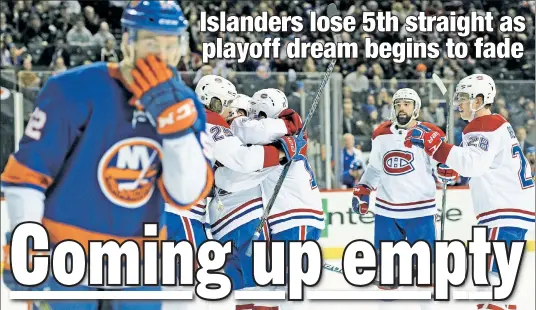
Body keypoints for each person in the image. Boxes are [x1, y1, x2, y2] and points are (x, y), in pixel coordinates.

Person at [1, 1, 213, 309]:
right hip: (66, 253)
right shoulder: (72, 88)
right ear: (128, 40)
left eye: (171, 44)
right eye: (151, 42)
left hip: (140, 262)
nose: (161, 56)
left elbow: (186, 195)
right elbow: (27, 177)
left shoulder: (187, 105)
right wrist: (28, 244)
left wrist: (176, 130)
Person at [404, 73, 536, 310]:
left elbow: (473, 163)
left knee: (491, 281)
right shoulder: (492, 125)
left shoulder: (483, 125)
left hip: (503, 210)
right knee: (496, 281)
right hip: (513, 210)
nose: (459, 103)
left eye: (464, 98)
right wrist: (452, 169)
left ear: (479, 100)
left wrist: (437, 147)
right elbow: (476, 163)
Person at [216, 88, 324, 310]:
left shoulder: (275, 134)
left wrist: (234, 121)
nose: (252, 118)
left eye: (257, 114)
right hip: (284, 220)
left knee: (289, 290)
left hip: (295, 217)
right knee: (273, 288)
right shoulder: (273, 134)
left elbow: (247, 132)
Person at [351, 88, 456, 310]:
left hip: (421, 211)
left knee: (426, 273)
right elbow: (374, 168)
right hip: (387, 212)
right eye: (398, 104)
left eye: (407, 104)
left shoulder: (431, 133)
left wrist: (447, 170)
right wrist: (364, 187)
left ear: (416, 108)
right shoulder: (380, 134)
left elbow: (441, 167)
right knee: (387, 277)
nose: (402, 108)